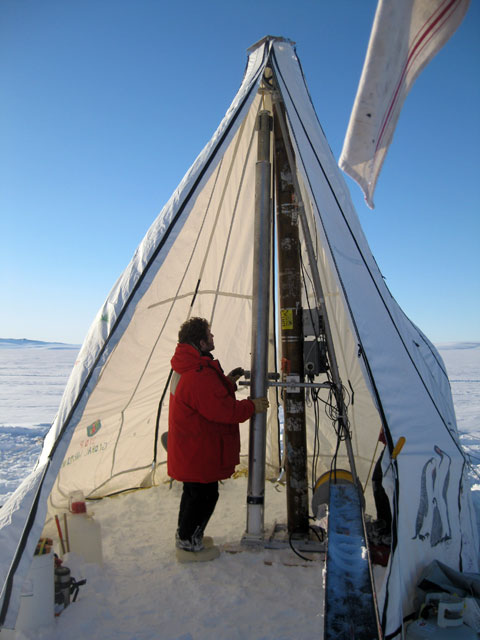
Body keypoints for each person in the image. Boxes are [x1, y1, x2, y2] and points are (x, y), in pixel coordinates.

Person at [167, 317, 269, 563]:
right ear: (201, 342)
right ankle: (189, 544)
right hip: (199, 447)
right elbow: (222, 411)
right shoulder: (197, 374)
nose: (213, 338)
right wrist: (251, 407)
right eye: (209, 335)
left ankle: (187, 537)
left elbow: (207, 396)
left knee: (194, 493)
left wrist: (228, 383)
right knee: (204, 495)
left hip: (193, 446)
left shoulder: (188, 367)